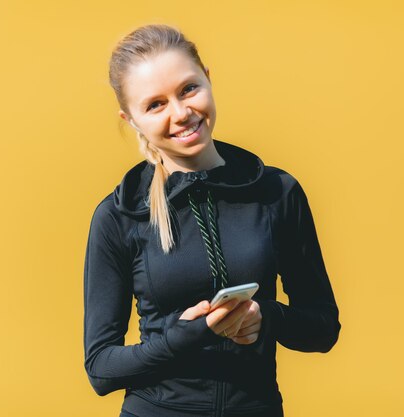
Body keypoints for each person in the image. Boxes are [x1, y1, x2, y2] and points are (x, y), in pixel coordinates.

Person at [82, 24, 341, 417]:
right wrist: (180, 338)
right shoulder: (118, 215)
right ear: (131, 119)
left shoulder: (277, 192)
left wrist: (267, 316)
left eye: (188, 88)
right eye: (156, 104)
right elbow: (100, 369)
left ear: (208, 77)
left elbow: (324, 329)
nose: (182, 113)